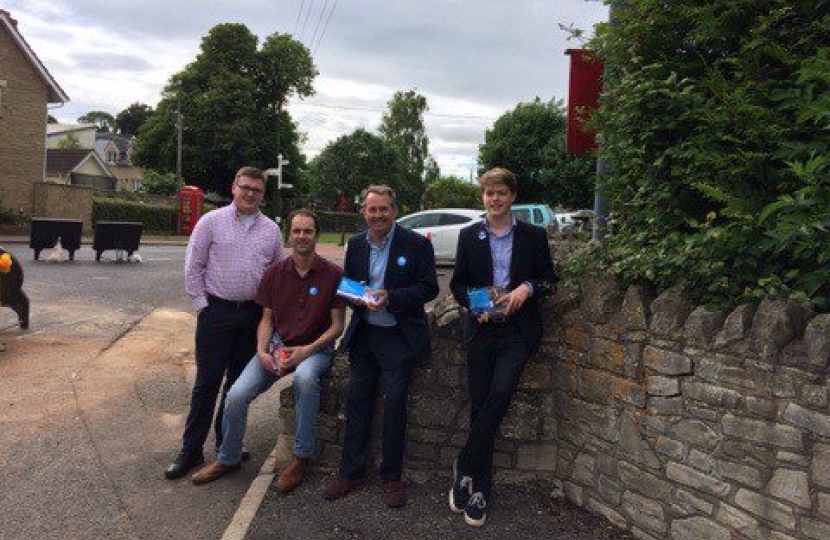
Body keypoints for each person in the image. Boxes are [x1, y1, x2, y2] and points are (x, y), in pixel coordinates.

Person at [191, 209, 346, 488]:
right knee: (236, 395)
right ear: (289, 235)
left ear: (316, 235)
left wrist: (306, 350)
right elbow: (266, 319)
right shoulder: (273, 273)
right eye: (297, 230)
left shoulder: (333, 273)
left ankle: (300, 458)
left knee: (305, 379)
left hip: (315, 351)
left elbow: (337, 327)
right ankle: (229, 456)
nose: (302, 236)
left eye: (308, 231)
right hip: (277, 348)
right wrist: (262, 351)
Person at [447, 167, 556, 526]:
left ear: (512, 196)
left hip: (517, 332)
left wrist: (528, 287)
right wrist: (474, 305)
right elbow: (458, 285)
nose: (495, 199)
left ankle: (465, 461)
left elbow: (548, 280)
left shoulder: (533, 235)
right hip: (481, 330)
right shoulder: (468, 235)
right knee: (480, 405)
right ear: (482, 197)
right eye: (489, 193)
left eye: (501, 193)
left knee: (500, 393)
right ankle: (480, 487)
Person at [322, 185, 438, 508]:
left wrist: (391, 297)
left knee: (395, 404)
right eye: (372, 210)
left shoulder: (415, 244)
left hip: (398, 337)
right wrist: (357, 294)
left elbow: (429, 287)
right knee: (357, 402)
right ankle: (352, 472)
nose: (377, 215)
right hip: (365, 335)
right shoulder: (357, 244)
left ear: (394, 210)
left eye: (383, 209)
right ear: (364, 212)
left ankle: (391, 478)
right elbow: (345, 287)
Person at [165, 166, 282, 480]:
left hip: (253, 317)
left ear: (262, 195)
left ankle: (226, 444)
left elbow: (276, 276)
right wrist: (203, 307)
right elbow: (194, 266)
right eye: (245, 187)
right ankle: (190, 452)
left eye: (256, 190)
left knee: (236, 387)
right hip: (216, 313)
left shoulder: (271, 230)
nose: (249, 194)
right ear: (234, 188)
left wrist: (269, 316)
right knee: (207, 384)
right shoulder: (211, 221)